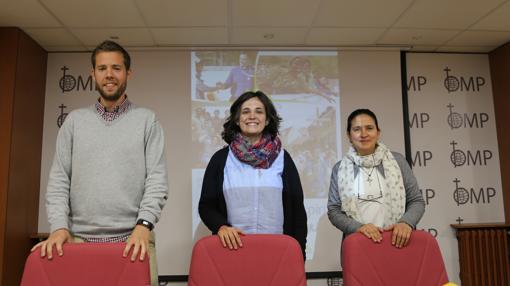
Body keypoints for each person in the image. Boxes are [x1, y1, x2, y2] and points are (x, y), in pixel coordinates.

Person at [31, 40, 168, 286]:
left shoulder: (147, 121)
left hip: (133, 240)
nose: (109, 75)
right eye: (102, 68)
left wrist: (143, 225)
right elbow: (59, 180)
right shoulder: (74, 121)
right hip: (76, 241)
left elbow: (157, 181)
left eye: (116, 68)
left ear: (128, 73)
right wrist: (59, 227)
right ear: (93, 74)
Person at [198, 91, 307, 258]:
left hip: (277, 252)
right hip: (232, 251)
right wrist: (221, 226)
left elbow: (298, 211)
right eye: (246, 111)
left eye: (259, 111)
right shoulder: (220, 159)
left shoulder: (283, 158)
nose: (252, 116)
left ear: (268, 119)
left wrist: (299, 255)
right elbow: (206, 205)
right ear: (236, 119)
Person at [328, 109, 424, 249]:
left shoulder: (398, 161)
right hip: (358, 245)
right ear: (349, 135)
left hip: (398, 243)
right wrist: (359, 227)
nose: (364, 134)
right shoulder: (340, 168)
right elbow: (334, 210)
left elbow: (416, 201)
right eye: (357, 129)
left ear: (378, 132)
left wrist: (405, 223)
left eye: (369, 128)